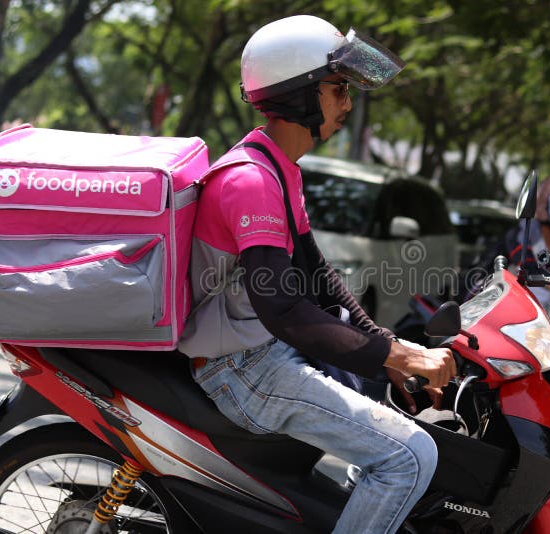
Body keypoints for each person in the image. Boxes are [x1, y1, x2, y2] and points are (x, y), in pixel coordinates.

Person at [178, 15, 456, 534]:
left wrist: (383, 350)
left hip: (263, 352)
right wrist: (404, 354)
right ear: (298, 92)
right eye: (338, 89)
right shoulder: (251, 181)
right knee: (410, 457)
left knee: (391, 423)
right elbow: (284, 309)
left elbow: (317, 276)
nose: (347, 104)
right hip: (243, 367)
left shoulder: (278, 169)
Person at [460, 173, 550, 314]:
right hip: (495, 312)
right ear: (545, 204)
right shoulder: (522, 234)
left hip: (537, 324)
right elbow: (531, 271)